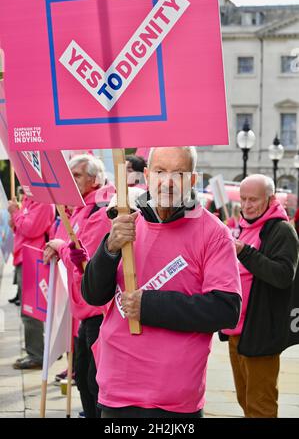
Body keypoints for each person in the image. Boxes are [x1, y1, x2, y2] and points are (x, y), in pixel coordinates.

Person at [82, 146, 242, 418]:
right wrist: (109, 247)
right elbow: (93, 295)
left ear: (192, 180)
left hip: (172, 398)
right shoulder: (127, 222)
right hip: (116, 387)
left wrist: (149, 306)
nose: (167, 182)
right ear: (147, 175)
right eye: (160, 171)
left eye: (179, 173)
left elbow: (226, 309)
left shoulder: (214, 233)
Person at [220, 174, 299, 418]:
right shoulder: (244, 226)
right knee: (245, 400)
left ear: (271, 199)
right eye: (243, 199)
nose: (246, 205)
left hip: (261, 331)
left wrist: (245, 252)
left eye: (253, 199)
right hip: (237, 331)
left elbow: (283, 275)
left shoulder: (281, 230)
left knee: (260, 406)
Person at [43, 154, 114, 418]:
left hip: (99, 311)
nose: (70, 182)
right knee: (83, 379)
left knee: (95, 383)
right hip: (82, 310)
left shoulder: (101, 211)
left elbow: (85, 259)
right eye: (69, 176)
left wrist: (61, 248)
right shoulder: (81, 209)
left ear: (95, 180)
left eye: (77, 176)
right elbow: (65, 243)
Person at [8, 194, 55, 369]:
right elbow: (20, 228)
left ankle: (36, 354)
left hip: (33, 259)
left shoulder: (43, 202)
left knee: (31, 311)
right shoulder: (29, 199)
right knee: (27, 310)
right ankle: (34, 350)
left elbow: (30, 229)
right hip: (24, 257)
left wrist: (15, 213)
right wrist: (16, 219)